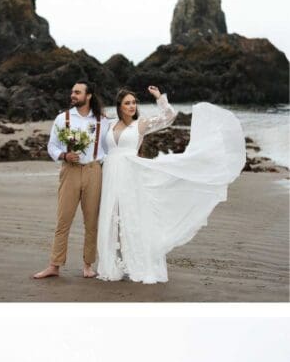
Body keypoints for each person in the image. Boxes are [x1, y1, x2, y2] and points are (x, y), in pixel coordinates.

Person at [96, 87, 245, 283]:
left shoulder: (140, 125)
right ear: (119, 106)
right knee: (110, 215)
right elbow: (96, 132)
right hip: (110, 173)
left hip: (130, 174)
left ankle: (137, 264)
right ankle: (111, 264)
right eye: (127, 103)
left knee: (131, 216)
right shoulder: (111, 124)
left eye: (134, 102)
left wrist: (160, 98)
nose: (132, 106)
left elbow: (169, 116)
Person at [33, 81, 113, 280]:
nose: (73, 95)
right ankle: (54, 265)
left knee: (91, 222)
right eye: (72, 92)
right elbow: (52, 146)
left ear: (89, 96)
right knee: (63, 219)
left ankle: (88, 265)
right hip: (69, 171)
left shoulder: (103, 121)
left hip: (94, 171)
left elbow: (110, 147)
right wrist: (64, 155)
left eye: (77, 92)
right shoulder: (63, 118)